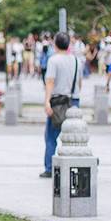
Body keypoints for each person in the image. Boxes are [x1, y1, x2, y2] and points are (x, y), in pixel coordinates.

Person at [41, 33, 81, 179]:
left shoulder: (53, 60)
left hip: (58, 102)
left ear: (56, 44)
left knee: (51, 136)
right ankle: (75, 165)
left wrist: (46, 101)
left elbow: (50, 81)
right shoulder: (77, 60)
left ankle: (49, 168)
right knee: (73, 135)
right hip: (74, 101)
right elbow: (80, 83)